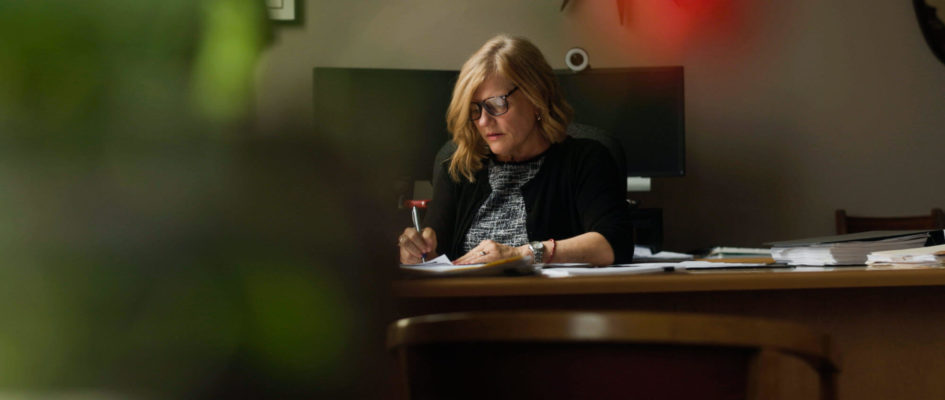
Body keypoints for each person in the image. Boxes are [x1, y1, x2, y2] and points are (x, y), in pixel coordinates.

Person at [398, 34, 634, 266]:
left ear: (537, 97)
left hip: (555, 303)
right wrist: (416, 251)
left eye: (497, 104)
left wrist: (525, 253)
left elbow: (614, 242)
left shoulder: (586, 159)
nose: (483, 121)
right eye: (475, 109)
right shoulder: (459, 165)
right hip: (468, 303)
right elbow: (434, 252)